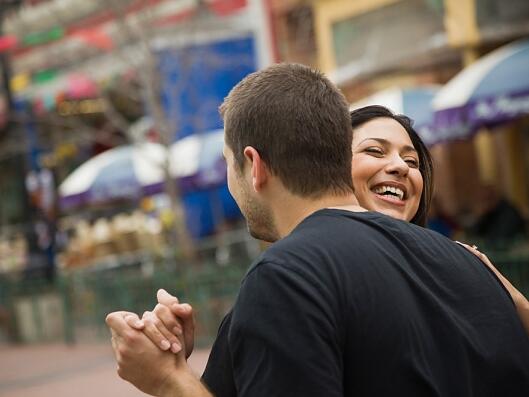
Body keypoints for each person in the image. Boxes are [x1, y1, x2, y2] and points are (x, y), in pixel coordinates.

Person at [106, 64, 529, 397]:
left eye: (228, 166)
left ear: (254, 166)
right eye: (374, 151)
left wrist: (166, 381)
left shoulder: (288, 278)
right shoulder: (474, 269)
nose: (398, 167)